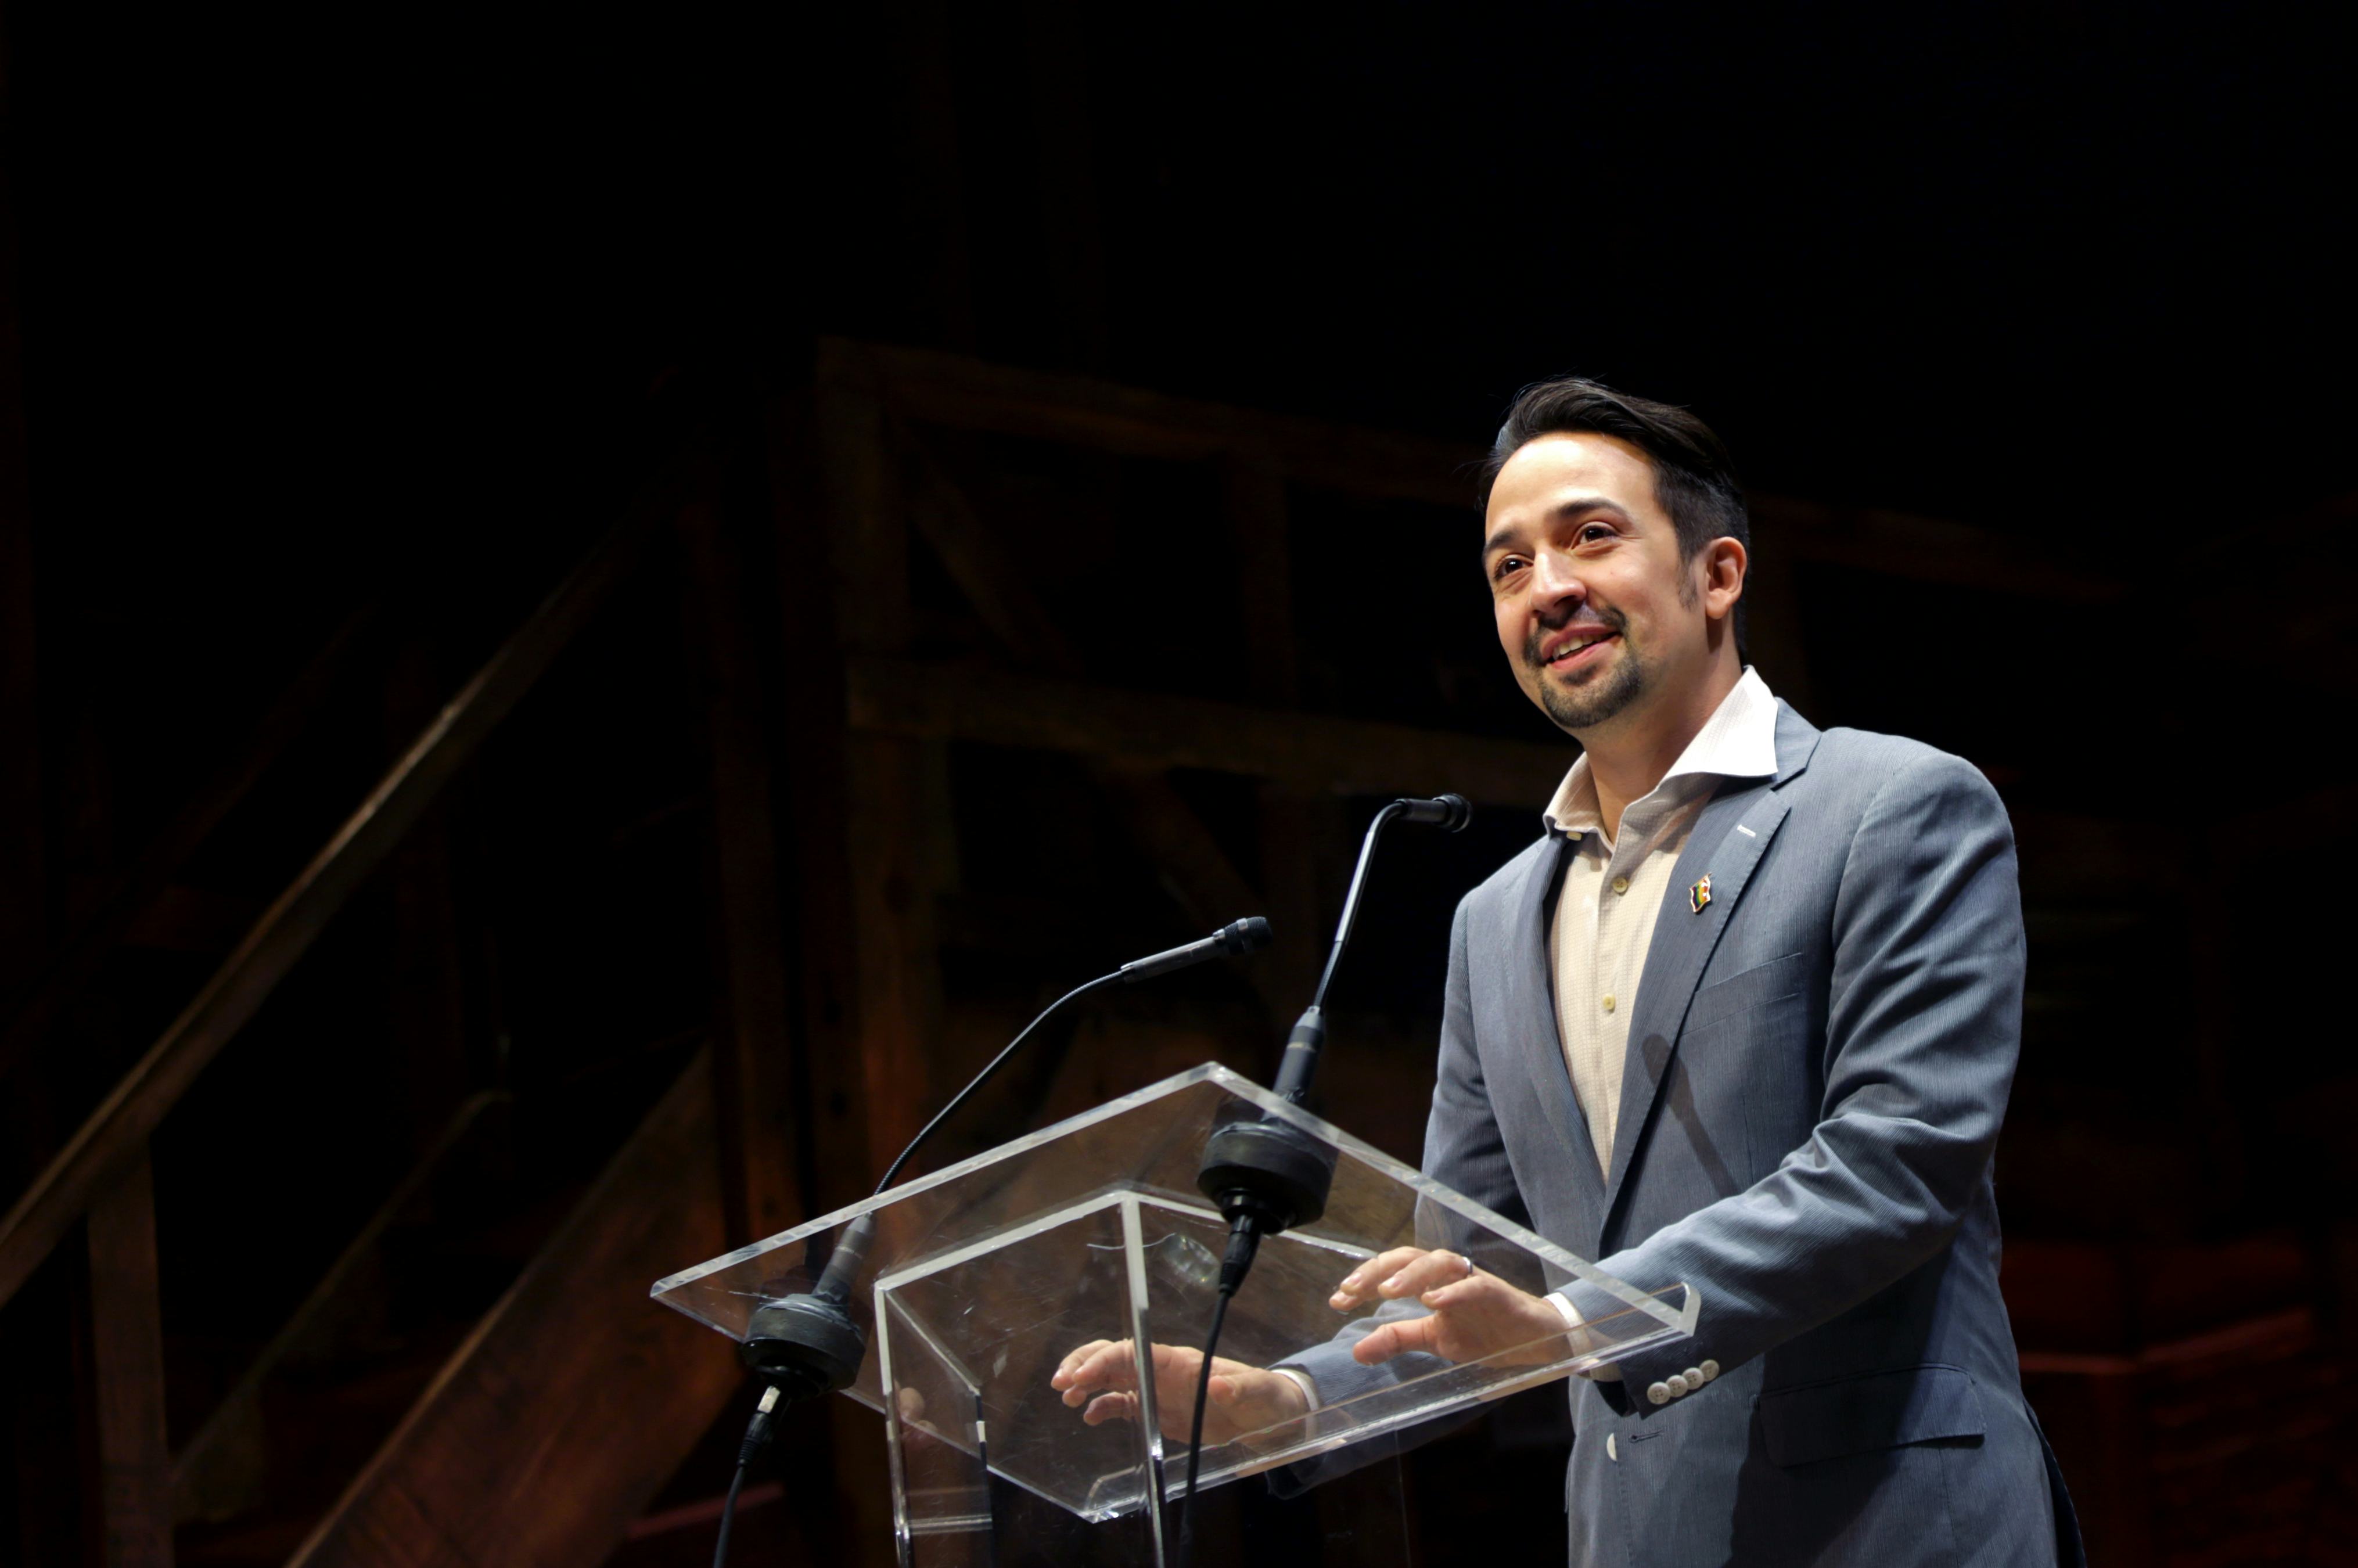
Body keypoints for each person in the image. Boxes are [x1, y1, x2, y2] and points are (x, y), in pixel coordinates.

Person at [1051, 377, 2083, 1566]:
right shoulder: (1492, 923)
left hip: (1891, 1526)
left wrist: (1575, 1323)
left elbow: (1897, 1160)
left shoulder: (1891, 806)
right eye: (1508, 567)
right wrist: (1295, 1400)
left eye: (1590, 535)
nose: (1546, 588)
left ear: (1717, 575)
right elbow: (1476, 1270)